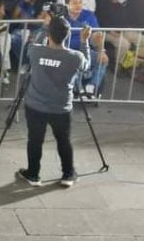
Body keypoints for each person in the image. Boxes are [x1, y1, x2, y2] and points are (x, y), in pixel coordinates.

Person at [16, 16, 90, 188]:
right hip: (61, 108)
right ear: (67, 34)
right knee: (64, 140)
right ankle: (68, 174)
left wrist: (44, 27)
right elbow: (86, 66)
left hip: (35, 106)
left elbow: (36, 43)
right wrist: (84, 41)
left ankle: (33, 174)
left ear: (49, 33)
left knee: (35, 140)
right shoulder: (75, 57)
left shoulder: (35, 51)